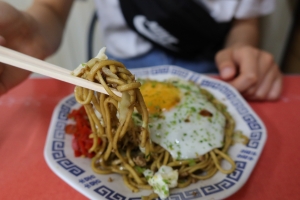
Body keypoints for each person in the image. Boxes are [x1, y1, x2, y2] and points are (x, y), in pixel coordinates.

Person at [0, 0, 282, 100]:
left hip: (209, 71)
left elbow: (246, 20)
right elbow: (52, 7)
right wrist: (30, 34)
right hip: (122, 73)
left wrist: (241, 47)